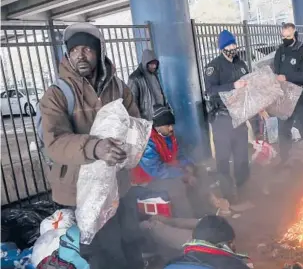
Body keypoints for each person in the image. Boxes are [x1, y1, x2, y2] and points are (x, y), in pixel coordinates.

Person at [39, 23, 143, 269]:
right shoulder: (57, 94)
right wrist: (95, 148)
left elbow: (135, 124)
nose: (80, 55)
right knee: (104, 253)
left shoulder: (118, 87)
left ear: (98, 51)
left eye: (86, 49)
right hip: (84, 190)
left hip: (119, 182)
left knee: (131, 240)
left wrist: (128, 147)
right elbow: (54, 142)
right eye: (74, 50)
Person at [165, 215, 303, 269]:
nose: (233, 247)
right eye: (230, 243)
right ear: (221, 244)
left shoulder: (172, 263)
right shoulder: (230, 266)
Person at [132, 105, 214, 218]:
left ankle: (203, 210)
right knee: (177, 186)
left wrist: (188, 165)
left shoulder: (169, 135)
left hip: (168, 171)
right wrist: (183, 174)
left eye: (172, 125)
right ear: (157, 126)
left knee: (200, 171)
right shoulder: (147, 142)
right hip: (149, 180)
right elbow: (157, 171)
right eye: (168, 125)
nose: (171, 128)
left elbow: (179, 155)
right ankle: (188, 220)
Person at [204, 30, 250, 203]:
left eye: (234, 44)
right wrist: (233, 86)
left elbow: (249, 87)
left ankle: (245, 190)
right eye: (229, 45)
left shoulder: (241, 64)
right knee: (223, 159)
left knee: (242, 157)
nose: (233, 48)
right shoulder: (213, 67)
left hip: (240, 117)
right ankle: (228, 196)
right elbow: (210, 90)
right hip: (222, 118)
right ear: (222, 48)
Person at [274, 23, 303, 164]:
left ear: (295, 34)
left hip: (299, 94)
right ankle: (285, 160)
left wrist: (287, 77)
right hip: (284, 96)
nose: (285, 39)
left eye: (289, 36)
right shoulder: (280, 51)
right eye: (283, 37)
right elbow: (276, 72)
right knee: (284, 130)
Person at [128, 49, 167, 121]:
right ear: (145, 63)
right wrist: (138, 120)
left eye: (155, 63)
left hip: (159, 114)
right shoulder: (135, 78)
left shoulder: (154, 74)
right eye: (152, 64)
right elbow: (132, 102)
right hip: (146, 117)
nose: (154, 66)